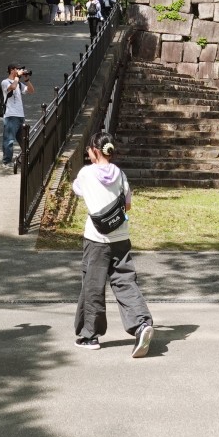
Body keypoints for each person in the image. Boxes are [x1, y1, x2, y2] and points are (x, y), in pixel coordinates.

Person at [72, 130, 154, 357]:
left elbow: (76, 189)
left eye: (89, 149)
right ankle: (141, 324)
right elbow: (127, 205)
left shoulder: (86, 174)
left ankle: (90, 335)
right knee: (125, 281)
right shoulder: (120, 174)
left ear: (94, 151)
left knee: (93, 286)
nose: (88, 153)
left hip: (96, 239)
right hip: (121, 237)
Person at [0, 63, 33, 171]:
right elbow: (12, 87)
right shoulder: (5, 82)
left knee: (24, 140)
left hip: (20, 115)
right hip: (10, 115)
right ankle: (7, 161)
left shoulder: (19, 83)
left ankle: (25, 159)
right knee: (9, 140)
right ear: (11, 70)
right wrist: (17, 77)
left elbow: (31, 90)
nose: (20, 71)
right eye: (17, 69)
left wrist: (27, 79)